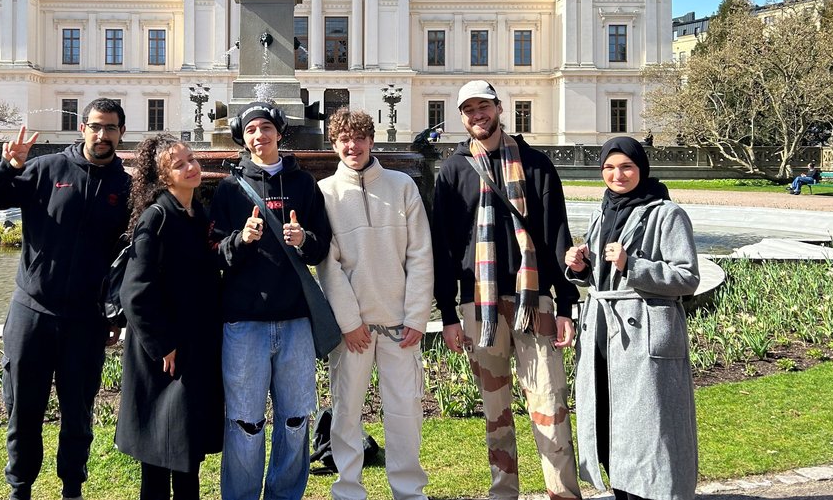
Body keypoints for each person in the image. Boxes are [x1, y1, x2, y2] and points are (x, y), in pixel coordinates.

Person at [431, 80, 581, 500]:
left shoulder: (536, 165)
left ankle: (563, 493)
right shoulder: (452, 170)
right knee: (496, 413)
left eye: (484, 107)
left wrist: (567, 303)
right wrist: (446, 313)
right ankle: (504, 494)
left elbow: (557, 236)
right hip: (480, 305)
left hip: (535, 301)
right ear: (462, 117)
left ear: (499, 108)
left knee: (550, 406)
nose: (477, 115)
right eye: (469, 110)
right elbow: (444, 247)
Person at [0, 97, 132, 500]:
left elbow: (128, 257)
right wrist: (8, 166)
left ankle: (72, 488)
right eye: (96, 126)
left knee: (78, 413)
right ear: (82, 128)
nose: (103, 135)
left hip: (87, 319)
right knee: (23, 409)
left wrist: (117, 316)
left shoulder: (126, 187)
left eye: (111, 128)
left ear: (121, 133)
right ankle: (20, 487)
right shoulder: (48, 169)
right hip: (33, 311)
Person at [210, 101, 334, 500]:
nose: (258, 136)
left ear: (279, 132)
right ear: (243, 140)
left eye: (265, 128)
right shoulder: (229, 189)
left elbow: (323, 245)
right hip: (244, 323)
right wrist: (240, 240)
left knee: (296, 419)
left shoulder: (304, 185)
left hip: (296, 321)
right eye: (250, 131)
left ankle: (284, 494)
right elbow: (213, 251)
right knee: (245, 422)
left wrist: (305, 241)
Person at [564, 137, 699, 500]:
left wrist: (632, 264)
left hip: (643, 332)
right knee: (610, 420)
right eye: (609, 167)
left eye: (626, 167)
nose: (617, 174)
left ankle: (655, 493)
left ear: (641, 169)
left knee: (650, 427)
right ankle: (623, 490)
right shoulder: (601, 212)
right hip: (603, 329)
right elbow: (600, 276)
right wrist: (581, 267)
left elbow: (687, 278)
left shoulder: (666, 214)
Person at [317, 108, 434, 500]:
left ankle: (409, 492)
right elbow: (327, 264)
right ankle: (348, 490)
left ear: (371, 140)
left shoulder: (402, 186)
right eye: (344, 140)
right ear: (334, 145)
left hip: (401, 325)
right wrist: (349, 322)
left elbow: (420, 254)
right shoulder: (326, 192)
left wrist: (417, 316)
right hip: (354, 332)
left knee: (405, 414)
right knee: (346, 415)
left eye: (360, 137)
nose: (353, 146)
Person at [116, 134, 223, 500]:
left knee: (186, 450)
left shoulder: (196, 213)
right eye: (179, 164)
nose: (192, 167)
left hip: (191, 347)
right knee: (160, 452)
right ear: (163, 177)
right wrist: (163, 344)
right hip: (163, 354)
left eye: (191, 159)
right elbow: (135, 292)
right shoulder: (157, 218)